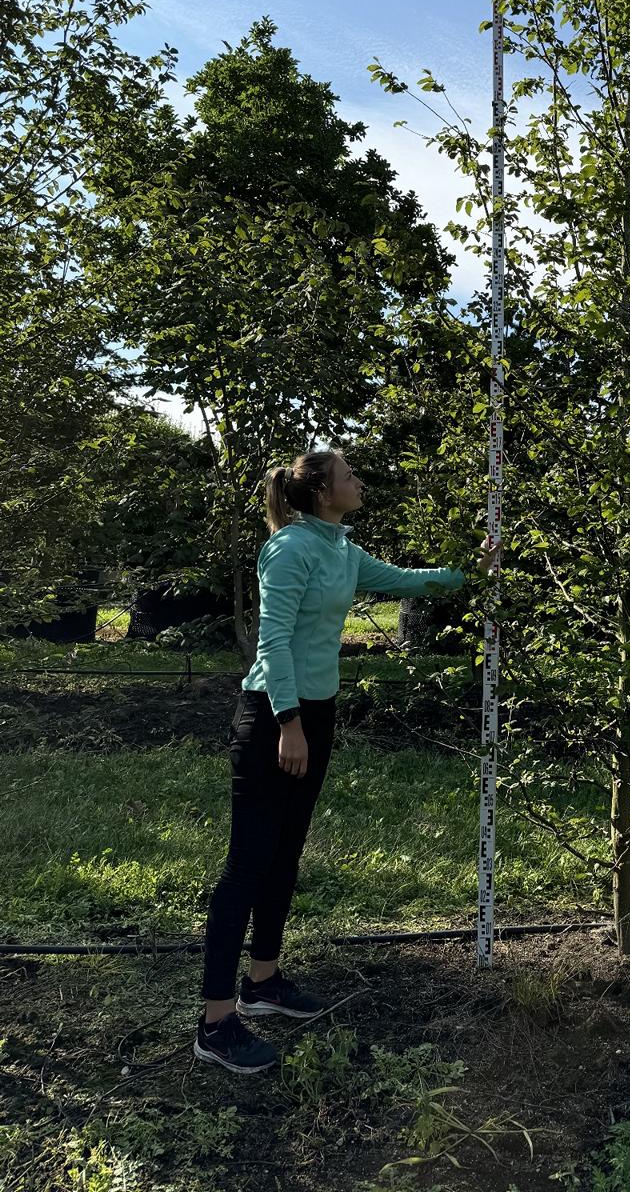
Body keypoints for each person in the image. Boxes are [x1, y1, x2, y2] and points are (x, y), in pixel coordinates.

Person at [193, 448, 499, 1074]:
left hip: (316, 713)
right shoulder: (290, 548)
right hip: (274, 719)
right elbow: (272, 639)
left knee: (285, 852)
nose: (359, 480)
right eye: (350, 475)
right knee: (248, 862)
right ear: (321, 492)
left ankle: (264, 980)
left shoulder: (340, 547)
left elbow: (406, 580)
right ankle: (216, 1020)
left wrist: (468, 571)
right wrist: (288, 723)